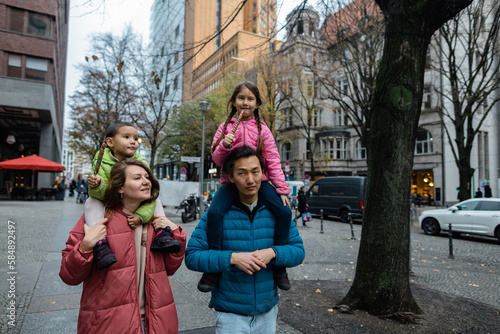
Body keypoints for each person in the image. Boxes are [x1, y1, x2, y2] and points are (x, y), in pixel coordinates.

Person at [185, 146, 305, 334]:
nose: (250, 180)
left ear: (263, 173)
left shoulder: (277, 212)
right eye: (242, 173)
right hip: (230, 314)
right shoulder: (216, 214)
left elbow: (298, 251)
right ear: (231, 177)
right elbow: (192, 256)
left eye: (255, 172)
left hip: (268, 311)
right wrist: (232, 258)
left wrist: (273, 253)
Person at [60, 159, 186, 333]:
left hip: (156, 322)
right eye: (137, 178)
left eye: (147, 177)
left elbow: (170, 269)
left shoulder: (156, 222)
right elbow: (69, 276)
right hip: (110, 323)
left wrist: (177, 236)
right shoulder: (97, 220)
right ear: (120, 187)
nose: (146, 181)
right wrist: (85, 247)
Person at [199, 81, 292, 293]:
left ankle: (279, 266)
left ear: (257, 104)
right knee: (214, 214)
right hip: (231, 181)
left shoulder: (263, 130)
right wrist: (225, 145)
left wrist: (282, 189)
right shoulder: (225, 128)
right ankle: (213, 268)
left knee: (285, 212)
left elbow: (274, 160)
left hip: (261, 181)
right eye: (241, 98)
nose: (245, 102)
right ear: (234, 102)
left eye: (250, 99)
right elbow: (216, 159)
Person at [85, 122, 180, 270]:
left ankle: (162, 231)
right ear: (110, 142)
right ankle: (99, 242)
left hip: (136, 206)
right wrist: (96, 185)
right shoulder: (100, 160)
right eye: (127, 137)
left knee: (156, 199)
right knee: (92, 202)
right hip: (108, 199)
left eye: (136, 139)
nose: (133, 142)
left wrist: (141, 216)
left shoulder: (140, 162)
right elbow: (99, 194)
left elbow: (150, 195)